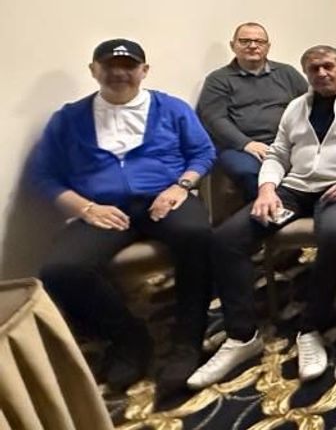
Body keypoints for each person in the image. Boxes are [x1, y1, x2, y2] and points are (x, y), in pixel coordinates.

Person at [187, 45, 336, 389]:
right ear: (306, 73)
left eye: (328, 66)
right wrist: (267, 189)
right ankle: (242, 335)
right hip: (295, 188)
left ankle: (312, 326)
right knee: (227, 239)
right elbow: (279, 153)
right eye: (314, 69)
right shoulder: (296, 107)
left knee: (333, 234)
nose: (322, 73)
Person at [30, 39, 215, 396]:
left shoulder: (171, 108)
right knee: (60, 270)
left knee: (198, 236)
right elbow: (44, 175)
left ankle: (187, 339)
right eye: (109, 66)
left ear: (144, 71)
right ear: (94, 70)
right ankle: (128, 338)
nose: (119, 73)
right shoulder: (68, 118)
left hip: (165, 197)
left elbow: (203, 152)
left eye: (128, 66)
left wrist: (180, 187)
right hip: (101, 208)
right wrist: (85, 208)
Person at [198, 22, 308, 201]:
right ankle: (270, 210)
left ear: (268, 46)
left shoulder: (287, 73)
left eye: (259, 41)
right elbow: (214, 118)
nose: (253, 45)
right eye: (245, 41)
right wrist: (246, 144)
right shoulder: (218, 79)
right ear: (233, 45)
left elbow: (310, 102)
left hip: (286, 141)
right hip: (240, 147)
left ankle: (293, 207)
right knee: (248, 172)